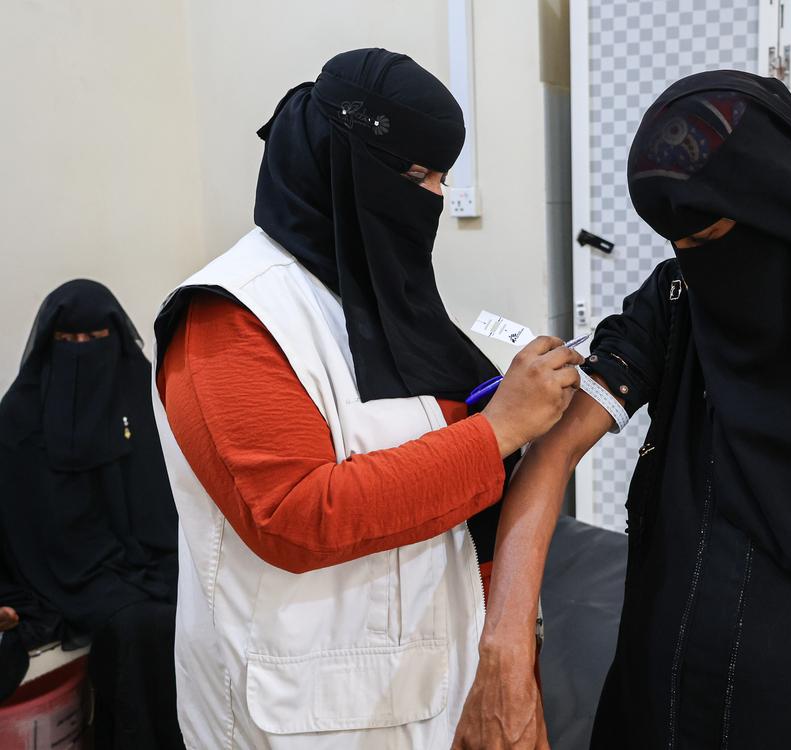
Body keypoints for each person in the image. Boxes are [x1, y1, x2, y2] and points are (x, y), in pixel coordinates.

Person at [453, 71, 791, 749]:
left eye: (714, 238)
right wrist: (505, 648)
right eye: (680, 246)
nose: (701, 266)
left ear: (777, 201)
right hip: (665, 676)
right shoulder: (679, 298)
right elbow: (556, 450)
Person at [152, 48, 580, 748]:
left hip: (416, 687)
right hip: (301, 718)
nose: (435, 197)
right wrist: (495, 432)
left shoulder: (373, 299)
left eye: (443, 176)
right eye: (417, 176)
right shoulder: (230, 318)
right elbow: (293, 517)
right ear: (337, 163)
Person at [0, 280, 182, 746]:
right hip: (62, 569)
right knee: (138, 624)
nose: (81, 353)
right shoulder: (18, 418)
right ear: (48, 345)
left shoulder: (143, 400)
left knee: (190, 603)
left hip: (146, 554)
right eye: (68, 342)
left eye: (93, 340)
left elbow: (166, 497)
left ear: (115, 341)